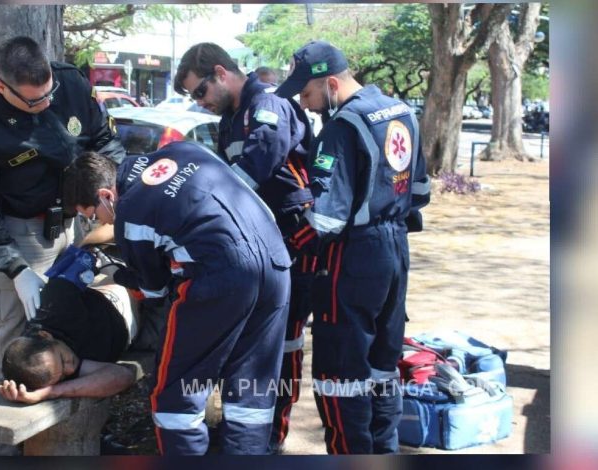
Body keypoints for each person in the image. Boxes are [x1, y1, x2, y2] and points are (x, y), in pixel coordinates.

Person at [0, 36, 125, 456]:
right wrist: (16, 269)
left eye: (49, 95)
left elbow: (106, 141)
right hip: (22, 232)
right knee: (17, 343)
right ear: (2, 88)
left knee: (72, 334)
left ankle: (77, 435)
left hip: (79, 219)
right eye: (32, 102)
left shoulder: (71, 85)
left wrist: (106, 196)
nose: (45, 104)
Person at [64, 142, 292, 455]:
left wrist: (121, 276)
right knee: (250, 392)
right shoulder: (186, 150)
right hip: (276, 261)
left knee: (176, 400)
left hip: (220, 279)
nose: (101, 223)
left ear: (106, 196)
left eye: (93, 216)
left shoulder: (130, 214)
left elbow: (155, 290)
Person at [276, 40, 431, 454]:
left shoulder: (343, 126)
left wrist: (286, 248)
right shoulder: (401, 112)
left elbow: (326, 218)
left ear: (330, 83)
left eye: (307, 94)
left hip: (352, 257)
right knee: (383, 365)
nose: (306, 106)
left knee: (340, 375)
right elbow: (419, 192)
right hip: (396, 250)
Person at [174, 42, 315, 454]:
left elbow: (254, 168)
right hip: (257, 243)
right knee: (249, 341)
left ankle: (272, 434)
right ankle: (244, 430)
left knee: (283, 342)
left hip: (294, 239)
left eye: (200, 92)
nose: (200, 104)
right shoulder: (230, 119)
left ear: (220, 72)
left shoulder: (268, 105)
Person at [0, 246, 138, 404]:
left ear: (45, 335)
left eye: (63, 360)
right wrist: (50, 392)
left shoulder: (54, 304)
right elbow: (123, 376)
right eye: (63, 376)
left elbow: (81, 258)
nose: (70, 369)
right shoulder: (45, 370)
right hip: (131, 331)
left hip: (119, 300)